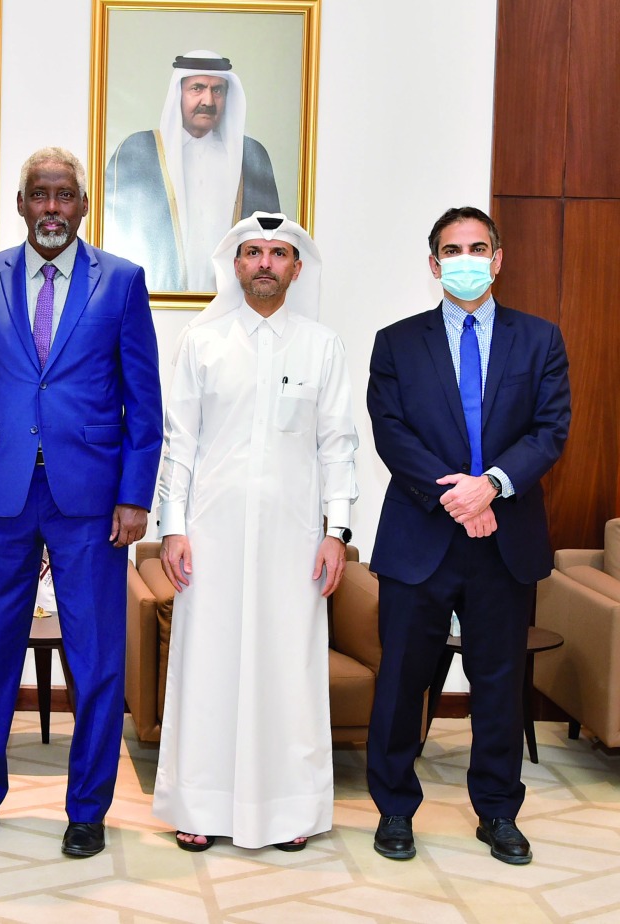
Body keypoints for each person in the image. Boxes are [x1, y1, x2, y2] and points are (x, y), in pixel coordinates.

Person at [0, 146, 162, 859]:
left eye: (66, 195)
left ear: (84, 206)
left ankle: (87, 809)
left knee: (95, 658)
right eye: (41, 194)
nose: (53, 207)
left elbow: (142, 401)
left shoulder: (122, 282)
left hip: (90, 500)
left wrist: (134, 494)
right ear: (21, 203)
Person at [366, 206, 571, 866]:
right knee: (401, 681)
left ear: (499, 257)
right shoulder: (396, 342)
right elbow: (392, 432)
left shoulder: (540, 340)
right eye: (452, 249)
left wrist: (495, 485)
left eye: (478, 246)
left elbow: (549, 430)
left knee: (499, 684)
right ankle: (395, 807)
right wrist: (459, 493)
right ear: (433, 265)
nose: (466, 258)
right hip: (418, 538)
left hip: (504, 542)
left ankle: (498, 811)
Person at [154, 212, 358, 853]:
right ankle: (200, 805)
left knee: (287, 671)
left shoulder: (322, 345)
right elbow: (177, 445)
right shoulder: (201, 343)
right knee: (206, 668)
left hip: (294, 541)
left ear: (297, 268)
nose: (265, 262)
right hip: (209, 539)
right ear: (234, 265)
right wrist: (173, 529)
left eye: (278, 253)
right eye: (253, 252)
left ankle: (288, 811)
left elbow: (339, 446)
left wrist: (338, 531)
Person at [104, 51, 280, 292]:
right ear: (178, 94)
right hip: (158, 304)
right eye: (197, 88)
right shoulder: (137, 151)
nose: (208, 100)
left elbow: (273, 241)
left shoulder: (251, 156)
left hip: (233, 308)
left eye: (217, 90)